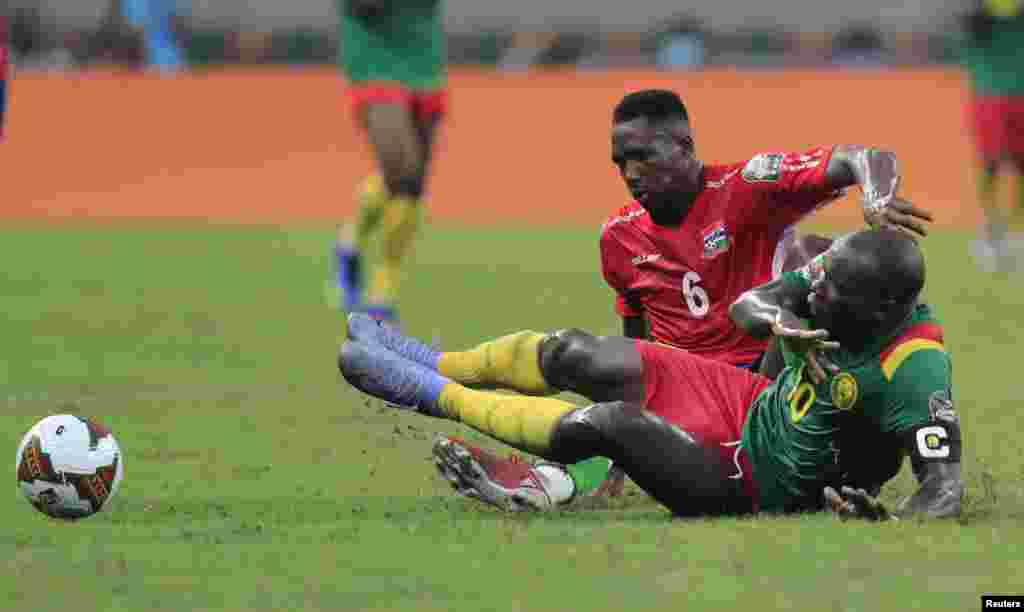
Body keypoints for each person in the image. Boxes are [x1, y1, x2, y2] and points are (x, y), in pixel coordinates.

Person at [411, 89, 932, 506]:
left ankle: (545, 475)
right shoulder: (618, 237)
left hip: (758, 386)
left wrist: (877, 196)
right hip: (683, 383)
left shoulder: (747, 187)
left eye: (643, 156)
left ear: (684, 147)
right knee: (573, 352)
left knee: (818, 256)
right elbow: (632, 342)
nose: (630, 172)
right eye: (620, 161)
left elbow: (863, 156)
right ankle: (438, 375)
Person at [338, 227, 964, 520]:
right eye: (819, 282)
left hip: (755, 479)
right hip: (750, 399)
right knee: (576, 352)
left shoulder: (914, 366)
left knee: (611, 424)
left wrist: (891, 519)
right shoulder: (840, 281)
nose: (816, 295)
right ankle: (431, 359)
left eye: (831, 293)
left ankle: (429, 393)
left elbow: (942, 487)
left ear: (885, 308)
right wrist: (777, 321)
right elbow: (752, 303)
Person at [333, 0, 447, 323]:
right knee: (402, 169)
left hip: (424, 61)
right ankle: (377, 283)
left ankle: (359, 255)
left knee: (412, 184)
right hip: (373, 61)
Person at [959, 0, 1024, 269]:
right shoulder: (977, 18)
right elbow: (971, 22)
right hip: (989, 97)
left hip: (1019, 96)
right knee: (991, 164)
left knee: (1021, 165)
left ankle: (1017, 233)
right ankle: (990, 231)